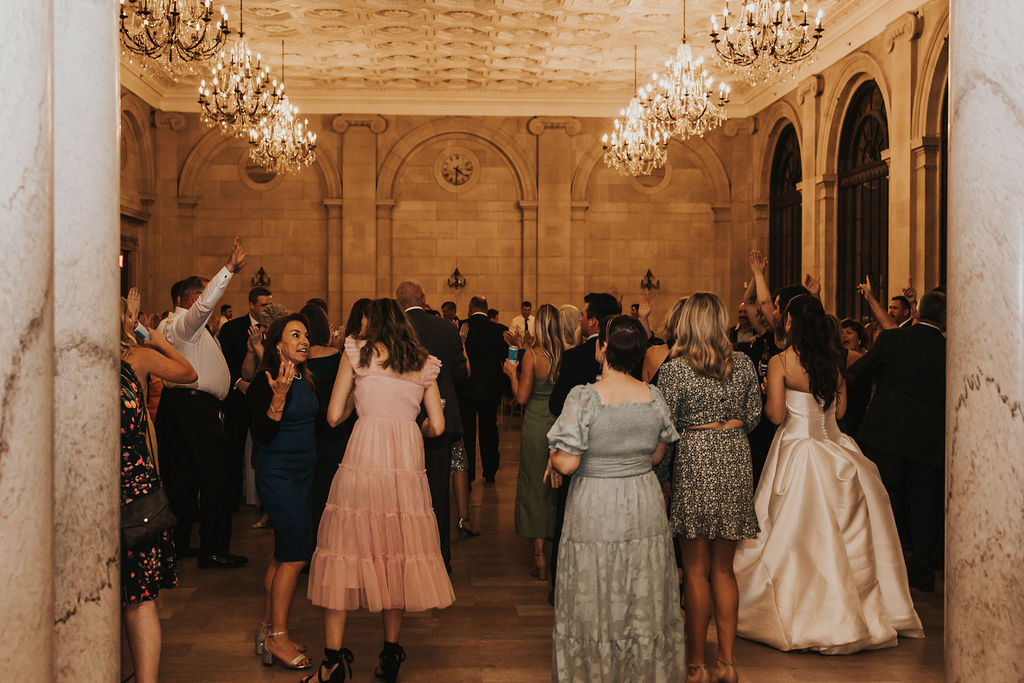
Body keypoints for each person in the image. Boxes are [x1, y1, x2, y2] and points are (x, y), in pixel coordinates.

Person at [733, 294, 924, 654]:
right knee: (845, 538)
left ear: (790, 322)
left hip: (796, 449)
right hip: (835, 449)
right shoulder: (833, 362)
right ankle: (852, 614)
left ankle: (804, 613)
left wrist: (771, 395)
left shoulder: (781, 361)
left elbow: (775, 415)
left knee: (796, 538)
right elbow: (840, 413)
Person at [306, 298, 454, 683]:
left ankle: (333, 662)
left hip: (364, 458)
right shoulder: (423, 362)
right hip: (405, 464)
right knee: (396, 556)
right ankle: (390, 654)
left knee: (343, 551)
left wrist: (364, 404)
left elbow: (335, 415)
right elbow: (437, 425)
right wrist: (414, 427)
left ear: (372, 322)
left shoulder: (356, 353)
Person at [546, 315, 683, 681]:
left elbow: (569, 462)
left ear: (602, 348)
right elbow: (656, 455)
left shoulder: (585, 398)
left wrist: (553, 458)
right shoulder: (653, 396)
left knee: (595, 585)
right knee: (641, 585)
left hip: (597, 501)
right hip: (643, 499)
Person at [657, 292, 762, 683]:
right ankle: (728, 664)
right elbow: (753, 417)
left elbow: (666, 430)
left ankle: (698, 665)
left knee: (695, 570)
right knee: (724, 570)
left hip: (695, 456)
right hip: (735, 457)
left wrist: (664, 478)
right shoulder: (745, 364)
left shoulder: (675, 369)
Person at [156, 237, 248, 568]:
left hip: (180, 407)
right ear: (194, 297)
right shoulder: (184, 326)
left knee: (181, 480)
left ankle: (179, 545)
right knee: (216, 479)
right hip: (194, 409)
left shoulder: (170, 326)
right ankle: (213, 549)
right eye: (205, 293)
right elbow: (204, 307)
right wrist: (229, 269)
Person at [119, 294, 197, 683]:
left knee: (138, 596)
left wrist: (153, 337)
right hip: (91, 489)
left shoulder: (136, 359)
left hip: (133, 490)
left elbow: (188, 372)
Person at [849, 291, 947, 593]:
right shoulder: (950, 349)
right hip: (928, 441)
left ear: (916, 311)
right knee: (924, 507)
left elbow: (858, 374)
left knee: (881, 500)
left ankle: (879, 563)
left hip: (885, 435)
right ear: (945, 319)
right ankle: (924, 572)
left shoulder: (892, 340)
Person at [246, 313, 317, 670]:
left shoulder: (305, 377)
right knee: (295, 556)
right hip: (279, 475)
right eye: (294, 334)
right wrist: (279, 397)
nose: (303, 340)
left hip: (304, 475)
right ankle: (278, 638)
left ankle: (266, 629)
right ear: (278, 345)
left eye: (305, 334)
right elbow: (263, 435)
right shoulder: (266, 381)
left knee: (282, 553)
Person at [397, 280, 470, 571]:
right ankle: (441, 557)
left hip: (406, 414)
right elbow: (460, 372)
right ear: (424, 298)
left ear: (399, 301)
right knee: (438, 491)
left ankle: (409, 554)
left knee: (406, 490)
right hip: (442, 414)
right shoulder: (447, 328)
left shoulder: (398, 329)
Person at [502, 303, 563, 580]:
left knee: (534, 484)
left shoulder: (533, 357)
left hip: (537, 425)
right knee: (557, 486)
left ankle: (538, 554)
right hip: (561, 425)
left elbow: (522, 397)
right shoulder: (567, 354)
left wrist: (512, 374)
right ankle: (555, 546)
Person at [219, 286, 273, 510]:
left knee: (265, 448)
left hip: (264, 399)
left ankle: (266, 504)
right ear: (251, 305)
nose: (267, 309)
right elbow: (221, 362)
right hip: (237, 397)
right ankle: (230, 501)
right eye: (263, 305)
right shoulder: (232, 328)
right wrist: (238, 382)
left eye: (270, 305)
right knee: (233, 448)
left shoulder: (274, 329)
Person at [300, 303, 345, 547]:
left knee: (305, 491)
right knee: (329, 490)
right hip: (332, 431)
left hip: (305, 430)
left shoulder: (298, 359)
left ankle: (305, 544)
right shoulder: (336, 357)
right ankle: (328, 542)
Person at [457, 295, 508, 483]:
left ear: (470, 309)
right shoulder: (500, 330)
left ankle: (467, 474)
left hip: (465, 388)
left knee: (467, 433)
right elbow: (506, 360)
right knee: (489, 430)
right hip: (490, 388)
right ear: (486, 310)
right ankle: (490, 471)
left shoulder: (460, 327)